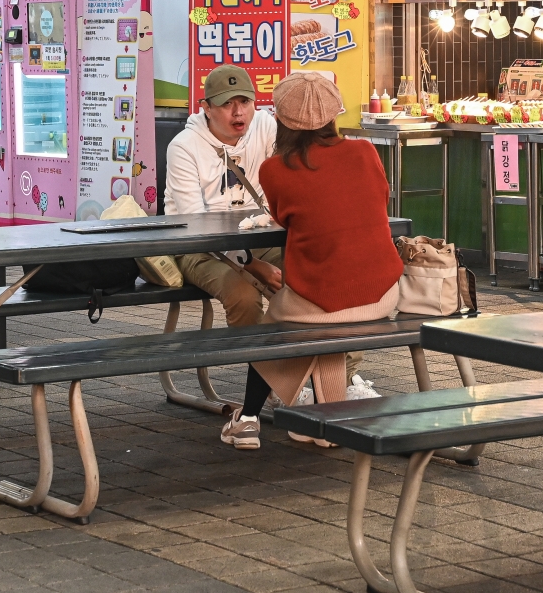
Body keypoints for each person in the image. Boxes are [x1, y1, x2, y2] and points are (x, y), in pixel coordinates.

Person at [219, 73, 402, 451]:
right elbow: (378, 197)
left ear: (281, 120)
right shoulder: (366, 151)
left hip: (323, 300)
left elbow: (284, 217)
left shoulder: (275, 169)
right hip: (383, 294)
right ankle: (322, 413)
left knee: (275, 327)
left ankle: (249, 419)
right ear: (334, 115)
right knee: (318, 311)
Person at [162, 65, 281, 327]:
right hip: (198, 247)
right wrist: (252, 264)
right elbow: (197, 224)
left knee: (308, 277)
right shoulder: (183, 147)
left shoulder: (265, 125)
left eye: (245, 101)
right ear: (206, 107)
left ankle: (304, 361)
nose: (238, 112)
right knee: (243, 295)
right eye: (227, 103)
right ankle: (260, 367)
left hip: (258, 236)